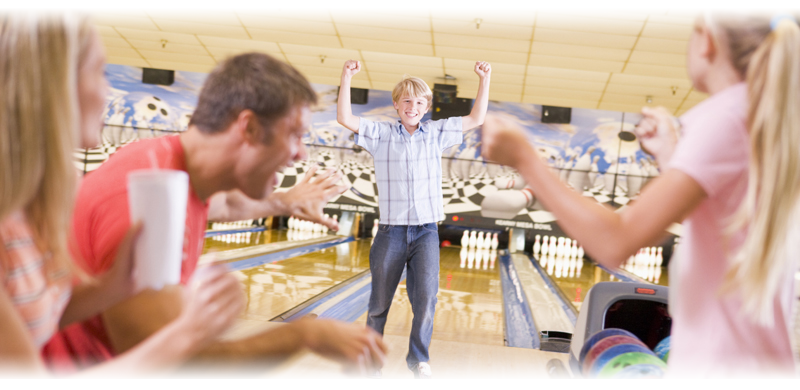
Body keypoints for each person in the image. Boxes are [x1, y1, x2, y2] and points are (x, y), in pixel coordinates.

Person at [480, 8, 800, 379]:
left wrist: (525, 158)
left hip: (719, 370)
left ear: (707, 40)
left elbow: (615, 241)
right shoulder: (765, 119)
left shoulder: (722, 118)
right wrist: (672, 157)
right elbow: (724, 220)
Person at [41, 52, 388, 378]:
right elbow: (177, 368)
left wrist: (283, 203)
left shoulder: (169, 166)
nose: (300, 154)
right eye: (294, 135)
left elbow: (224, 205)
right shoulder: (144, 205)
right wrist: (304, 334)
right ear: (248, 128)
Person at [0, 8, 244, 378]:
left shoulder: (19, 210)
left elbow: (33, 313)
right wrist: (188, 335)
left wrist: (113, 287)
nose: (108, 91)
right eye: (99, 71)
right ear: (50, 84)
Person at [337, 59, 492, 379]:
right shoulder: (380, 134)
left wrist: (484, 79)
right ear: (396, 104)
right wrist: (347, 77)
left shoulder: (436, 132)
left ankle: (419, 359)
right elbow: (345, 118)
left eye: (420, 101)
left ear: (427, 107)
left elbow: (477, 117)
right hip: (391, 231)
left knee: (426, 302)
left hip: (426, 232)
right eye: (406, 100)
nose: (413, 106)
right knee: (379, 303)